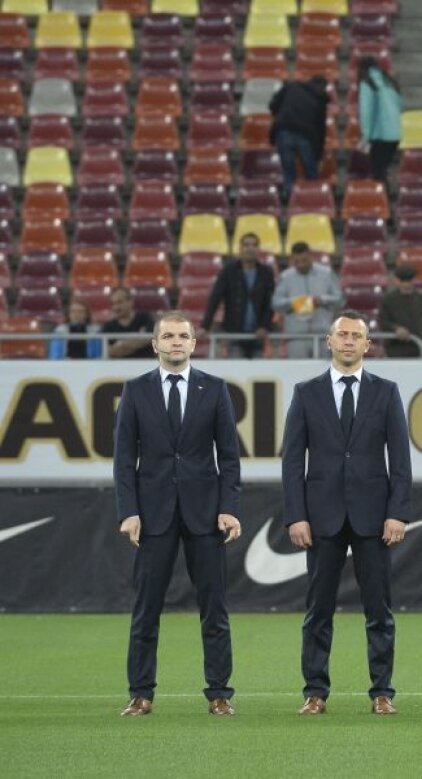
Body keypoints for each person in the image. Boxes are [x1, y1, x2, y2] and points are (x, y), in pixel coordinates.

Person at [281, 311, 414, 716]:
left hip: (374, 518)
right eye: (343, 335)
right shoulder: (306, 393)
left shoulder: (386, 392)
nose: (350, 341)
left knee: (379, 611)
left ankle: (382, 692)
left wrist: (398, 513)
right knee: (317, 612)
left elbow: (401, 460)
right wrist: (296, 516)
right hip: (321, 518)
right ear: (330, 341)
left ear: (368, 345)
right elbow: (292, 461)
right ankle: (315, 692)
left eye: (357, 335)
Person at [113, 311, 243, 717]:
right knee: (146, 610)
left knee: (214, 610)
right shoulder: (136, 390)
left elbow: (230, 456)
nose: (175, 342)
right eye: (168, 336)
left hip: (205, 515)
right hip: (153, 516)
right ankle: (141, 694)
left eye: (182, 336)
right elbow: (123, 460)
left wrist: (229, 507)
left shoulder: (215, 389)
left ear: (193, 343)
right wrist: (129, 511)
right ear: (155, 344)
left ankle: (219, 693)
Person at [202, 232, 275, 359]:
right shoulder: (228, 271)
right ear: (240, 249)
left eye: (254, 245)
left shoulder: (266, 273)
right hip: (234, 333)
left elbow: (270, 303)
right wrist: (205, 326)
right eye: (246, 245)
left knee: (259, 369)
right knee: (236, 366)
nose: (250, 248)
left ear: (258, 249)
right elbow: (215, 298)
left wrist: (264, 326)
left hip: (258, 334)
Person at [272, 243, 345, 359]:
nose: (301, 264)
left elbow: (340, 299)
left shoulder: (327, 274)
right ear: (292, 260)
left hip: (323, 335)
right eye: (297, 262)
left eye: (304, 260)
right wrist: (294, 303)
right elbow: (276, 303)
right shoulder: (285, 277)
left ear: (311, 257)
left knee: (324, 370)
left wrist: (322, 300)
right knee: (298, 370)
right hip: (296, 337)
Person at [269, 76, 329, 201]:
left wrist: (279, 116)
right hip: (305, 136)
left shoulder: (292, 86)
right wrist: (318, 154)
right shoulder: (320, 100)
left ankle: (290, 200)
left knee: (288, 172)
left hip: (284, 130)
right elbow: (320, 130)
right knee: (311, 171)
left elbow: (273, 104)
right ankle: (313, 198)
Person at [356, 57, 403, 185]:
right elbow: (399, 107)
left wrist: (365, 138)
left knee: (378, 171)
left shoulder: (367, 83)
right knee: (382, 169)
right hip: (396, 134)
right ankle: (385, 195)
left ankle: (382, 196)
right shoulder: (389, 82)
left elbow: (366, 112)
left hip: (380, 135)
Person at [378, 264, 422, 358]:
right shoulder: (388, 300)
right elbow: (383, 321)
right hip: (396, 347)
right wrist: (396, 328)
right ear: (397, 281)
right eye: (403, 281)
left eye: (408, 281)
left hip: (420, 347)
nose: (406, 284)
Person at [101, 287, 155, 359]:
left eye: (119, 302)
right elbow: (108, 351)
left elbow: (151, 339)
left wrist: (119, 344)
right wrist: (139, 338)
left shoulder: (145, 318)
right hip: (120, 365)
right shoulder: (108, 326)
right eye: (113, 304)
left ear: (131, 302)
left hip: (146, 363)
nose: (116, 307)